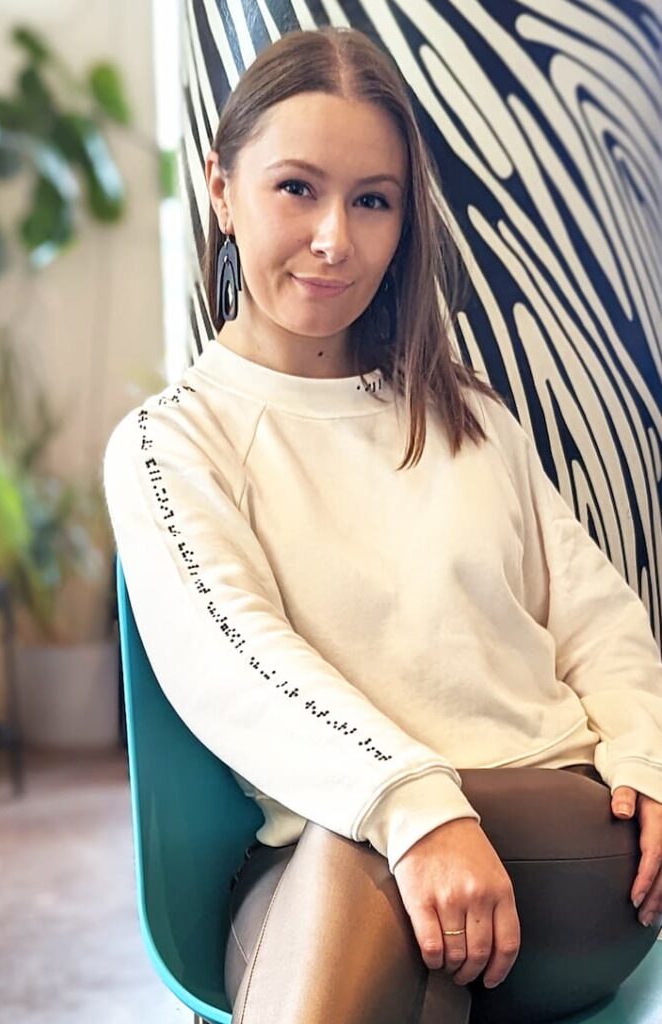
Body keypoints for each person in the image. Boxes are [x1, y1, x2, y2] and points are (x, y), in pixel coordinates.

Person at [102, 25, 662, 1024]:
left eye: (372, 200)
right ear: (220, 188)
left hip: (557, 854)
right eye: (296, 188)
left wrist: (649, 754)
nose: (334, 238)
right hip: (331, 861)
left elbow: (597, 621)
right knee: (370, 912)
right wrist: (411, 808)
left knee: (362, 855)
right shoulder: (170, 444)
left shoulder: (470, 417)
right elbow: (232, 659)